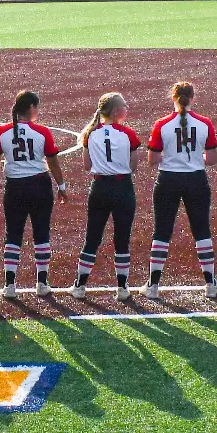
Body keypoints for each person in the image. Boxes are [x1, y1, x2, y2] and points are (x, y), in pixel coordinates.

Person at [146, 81, 217, 297]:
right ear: (192, 98)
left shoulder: (162, 124)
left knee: (162, 231)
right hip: (196, 179)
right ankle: (211, 284)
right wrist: (195, 158)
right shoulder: (205, 123)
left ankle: (153, 285)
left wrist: (171, 157)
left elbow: (153, 159)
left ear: (173, 97)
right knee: (202, 230)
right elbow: (213, 159)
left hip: (168, 179)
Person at [0, 89, 65, 296]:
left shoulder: (1, 131)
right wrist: (62, 186)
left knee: (13, 234)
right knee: (41, 233)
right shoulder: (42, 132)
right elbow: (53, 162)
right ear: (31, 108)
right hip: (39, 185)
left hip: (15, 187)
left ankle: (10, 284)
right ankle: (42, 283)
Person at [73, 93, 142, 300]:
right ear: (115, 112)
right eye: (124, 105)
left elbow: (87, 166)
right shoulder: (129, 134)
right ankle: (122, 287)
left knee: (92, 237)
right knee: (122, 238)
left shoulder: (90, 134)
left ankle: (79, 285)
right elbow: (133, 166)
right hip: (123, 187)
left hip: (100, 186)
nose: (127, 107)